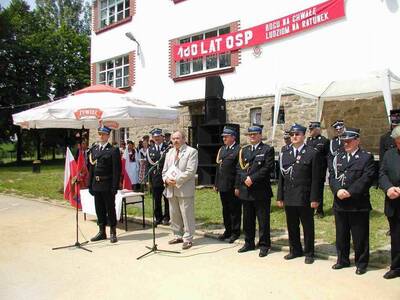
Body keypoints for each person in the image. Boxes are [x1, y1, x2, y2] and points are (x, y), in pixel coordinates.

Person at [329, 128, 375, 275]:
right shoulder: (338, 157)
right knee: (341, 234)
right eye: (344, 141)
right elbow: (332, 177)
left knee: (359, 235)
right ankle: (342, 260)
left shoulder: (366, 157)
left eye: (349, 141)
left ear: (357, 140)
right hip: (340, 202)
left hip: (357, 203)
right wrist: (337, 190)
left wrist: (350, 192)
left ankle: (361, 263)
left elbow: (366, 178)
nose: (346, 144)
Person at [277, 123, 322, 264]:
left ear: (303, 136)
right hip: (289, 195)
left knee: (307, 226)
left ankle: (309, 252)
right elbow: (281, 177)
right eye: (292, 135)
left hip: (305, 196)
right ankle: (295, 250)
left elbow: (316, 179)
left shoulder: (312, 153)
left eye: (297, 134)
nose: (294, 137)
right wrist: (280, 196)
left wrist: (315, 198)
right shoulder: (285, 152)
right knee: (292, 225)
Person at [235, 124, 275, 257]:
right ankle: (249, 242)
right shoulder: (244, 150)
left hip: (260, 191)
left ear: (260, 135)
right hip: (246, 190)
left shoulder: (267, 149)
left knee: (263, 220)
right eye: (250, 134)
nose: (252, 136)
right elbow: (239, 168)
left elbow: (268, 168)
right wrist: (244, 178)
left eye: (255, 134)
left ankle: (264, 245)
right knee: (247, 219)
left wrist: (252, 178)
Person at [162, 131, 198, 250]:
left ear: (184, 139)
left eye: (178, 138)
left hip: (184, 188)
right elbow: (164, 171)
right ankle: (177, 235)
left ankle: (188, 238)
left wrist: (176, 180)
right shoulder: (169, 153)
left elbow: (190, 171)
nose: (175, 141)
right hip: (171, 189)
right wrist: (166, 180)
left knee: (186, 214)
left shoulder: (191, 152)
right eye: (173, 139)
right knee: (174, 214)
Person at [88, 125, 121, 243]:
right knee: (99, 208)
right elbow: (91, 169)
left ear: (108, 135)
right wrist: (89, 184)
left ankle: (113, 231)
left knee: (110, 208)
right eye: (100, 134)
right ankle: (102, 231)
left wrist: (115, 187)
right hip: (96, 184)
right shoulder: (94, 149)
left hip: (107, 184)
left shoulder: (113, 150)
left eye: (104, 134)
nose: (101, 136)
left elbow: (116, 171)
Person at [379, 125, 400, 279]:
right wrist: (388, 188)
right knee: (396, 237)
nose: (399, 145)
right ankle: (397, 267)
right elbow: (382, 173)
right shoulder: (389, 154)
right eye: (397, 142)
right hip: (394, 203)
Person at [214, 125, 241, 243]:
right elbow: (218, 168)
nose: (224, 139)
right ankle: (228, 230)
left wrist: (237, 186)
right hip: (223, 185)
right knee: (225, 209)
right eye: (223, 137)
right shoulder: (222, 149)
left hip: (232, 185)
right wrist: (216, 183)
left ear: (233, 137)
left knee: (234, 210)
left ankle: (235, 232)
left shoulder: (239, 150)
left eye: (226, 136)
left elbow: (240, 170)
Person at [306, 121, 330, 218]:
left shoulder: (324, 141)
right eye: (310, 129)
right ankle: (310, 209)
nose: (310, 131)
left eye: (312, 129)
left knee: (319, 190)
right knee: (309, 190)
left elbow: (328, 156)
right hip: (309, 170)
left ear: (317, 129)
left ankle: (319, 211)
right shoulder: (308, 141)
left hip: (319, 170)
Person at [147, 128, 170, 225]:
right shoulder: (150, 149)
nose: (157, 138)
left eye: (158, 137)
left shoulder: (168, 148)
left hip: (166, 177)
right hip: (155, 178)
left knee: (167, 198)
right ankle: (158, 217)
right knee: (156, 199)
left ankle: (167, 217)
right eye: (155, 137)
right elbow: (149, 166)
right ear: (153, 138)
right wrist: (149, 180)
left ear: (162, 137)